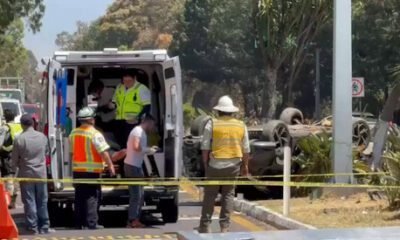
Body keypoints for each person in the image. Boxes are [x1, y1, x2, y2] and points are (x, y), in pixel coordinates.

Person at [197, 96, 250, 233]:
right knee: (228, 195)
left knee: (210, 195)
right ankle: (224, 227)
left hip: (214, 164)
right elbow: (246, 149)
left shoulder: (212, 124)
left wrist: (205, 164)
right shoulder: (241, 125)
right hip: (233, 165)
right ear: (232, 112)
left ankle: (205, 226)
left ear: (218, 111)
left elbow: (205, 147)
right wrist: (245, 167)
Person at [69, 107, 115, 230]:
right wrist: (110, 165)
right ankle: (91, 223)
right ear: (91, 120)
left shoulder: (73, 133)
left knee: (79, 197)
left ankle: (78, 223)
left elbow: (71, 153)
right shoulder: (95, 134)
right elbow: (103, 152)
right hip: (91, 171)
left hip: (77, 170)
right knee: (92, 197)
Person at [11, 114, 54, 235]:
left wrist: (14, 171)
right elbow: (46, 153)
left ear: (22, 125)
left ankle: (32, 227)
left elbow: (14, 160)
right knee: (42, 201)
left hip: (26, 174)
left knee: (29, 201)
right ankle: (44, 226)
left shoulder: (19, 139)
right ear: (33, 123)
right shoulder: (42, 137)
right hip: (41, 174)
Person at [124, 113, 158, 228]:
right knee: (136, 195)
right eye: (153, 124)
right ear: (148, 122)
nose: (153, 127)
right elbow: (136, 147)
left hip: (136, 165)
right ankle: (133, 220)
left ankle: (135, 218)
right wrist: (149, 150)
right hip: (132, 166)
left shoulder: (140, 131)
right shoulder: (138, 131)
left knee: (140, 194)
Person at [108, 70, 151, 148]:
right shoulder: (119, 87)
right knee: (120, 142)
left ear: (135, 78)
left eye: (129, 81)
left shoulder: (141, 88)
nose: (127, 83)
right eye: (125, 80)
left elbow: (147, 106)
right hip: (119, 120)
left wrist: (138, 117)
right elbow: (115, 100)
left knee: (131, 143)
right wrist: (112, 104)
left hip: (133, 121)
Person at [0, 109, 22, 209]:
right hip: (19, 156)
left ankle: (9, 201)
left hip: (7, 156)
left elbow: (0, 144)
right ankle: (13, 201)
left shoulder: (5, 128)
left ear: (5, 117)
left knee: (8, 178)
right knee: (15, 179)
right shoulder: (19, 126)